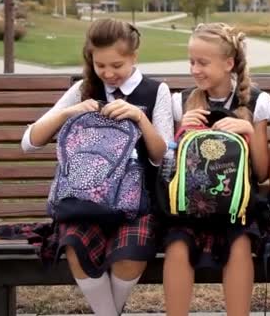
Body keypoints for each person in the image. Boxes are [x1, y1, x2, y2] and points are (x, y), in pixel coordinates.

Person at [21, 19, 174, 316]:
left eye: (117, 65)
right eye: (100, 64)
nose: (108, 73)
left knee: (131, 253)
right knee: (76, 246)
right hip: (84, 200)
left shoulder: (156, 91)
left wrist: (139, 119)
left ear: (134, 56)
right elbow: (29, 142)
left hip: (137, 205)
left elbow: (162, 157)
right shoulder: (84, 88)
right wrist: (70, 111)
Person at [163, 22, 270, 316]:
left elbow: (262, 172)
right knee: (176, 247)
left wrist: (248, 130)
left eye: (203, 62)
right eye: (191, 62)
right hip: (190, 205)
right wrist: (180, 133)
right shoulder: (182, 100)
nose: (195, 69)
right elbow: (170, 167)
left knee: (239, 246)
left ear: (228, 64)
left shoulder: (256, 101)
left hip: (236, 207)